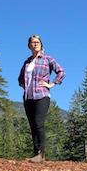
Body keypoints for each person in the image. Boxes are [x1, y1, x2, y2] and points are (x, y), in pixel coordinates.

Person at [18, 34, 65, 162]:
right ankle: (35, 153)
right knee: (32, 125)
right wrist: (26, 87)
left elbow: (61, 71)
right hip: (28, 97)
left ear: (41, 44)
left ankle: (42, 154)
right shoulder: (27, 62)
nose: (35, 44)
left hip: (42, 95)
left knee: (39, 123)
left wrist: (52, 84)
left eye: (37, 42)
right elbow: (20, 79)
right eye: (33, 42)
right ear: (29, 46)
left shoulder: (47, 59)